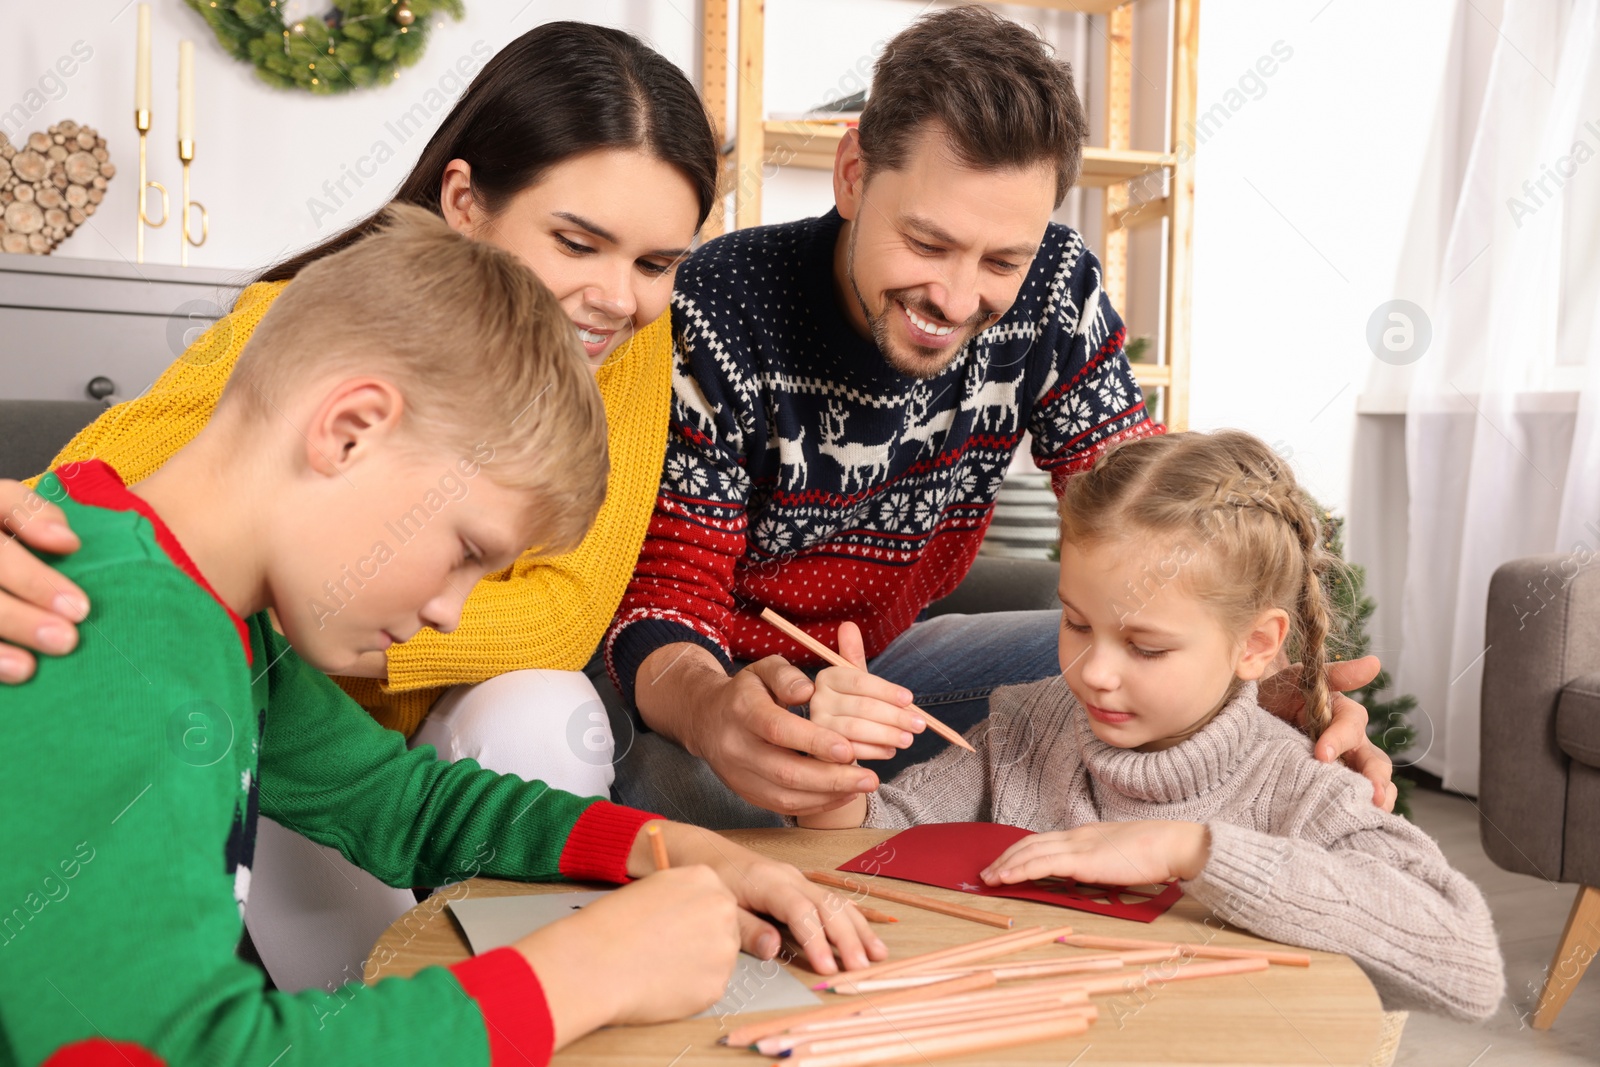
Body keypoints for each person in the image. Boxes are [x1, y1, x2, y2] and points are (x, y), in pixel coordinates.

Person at [0, 208, 882, 1067]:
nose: (452, 615)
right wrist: (578, 975)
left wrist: (675, 847)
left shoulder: (212, 616)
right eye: (465, 550)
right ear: (350, 431)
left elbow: (403, 802)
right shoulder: (104, 632)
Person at [0, 21, 717, 991]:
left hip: (329, 722)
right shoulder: (151, 624)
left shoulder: (234, 636)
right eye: (577, 240)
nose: (613, 299)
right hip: (273, 700)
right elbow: (89, 509)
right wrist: (562, 983)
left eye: (654, 263)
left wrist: (665, 848)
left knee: (538, 709)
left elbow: (403, 783)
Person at [602, 5, 1393, 829]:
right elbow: (665, 606)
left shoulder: (1056, 285)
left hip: (893, 660)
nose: (954, 298)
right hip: (719, 676)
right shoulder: (717, 309)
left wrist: (1255, 691)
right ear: (852, 175)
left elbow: (1147, 531)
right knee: (695, 793)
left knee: (1168, 673)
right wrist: (717, 715)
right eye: (926, 242)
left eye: (1001, 260)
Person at [798, 429, 1503, 1020]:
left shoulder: (1301, 786)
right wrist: (835, 774)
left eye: (1146, 646)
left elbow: (1469, 963)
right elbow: (869, 841)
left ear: (1257, 644)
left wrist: (1190, 850)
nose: (1094, 672)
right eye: (1076, 622)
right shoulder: (1032, 726)